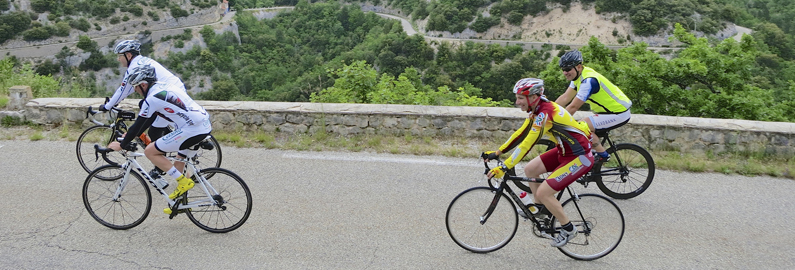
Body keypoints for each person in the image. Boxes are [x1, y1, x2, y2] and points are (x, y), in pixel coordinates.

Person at [484, 78, 594, 247]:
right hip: (564, 152)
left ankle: (569, 228)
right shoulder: (537, 109)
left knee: (544, 192)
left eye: (521, 98)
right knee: (530, 169)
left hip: (579, 158)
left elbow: (528, 143)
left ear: (534, 97)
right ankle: (541, 210)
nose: (517, 101)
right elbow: (521, 133)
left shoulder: (545, 113)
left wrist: (505, 166)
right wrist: (498, 152)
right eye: (517, 97)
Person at [107, 65, 212, 213]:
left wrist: (122, 145)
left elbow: (137, 124)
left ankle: (183, 182)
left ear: (143, 84)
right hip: (204, 124)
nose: (135, 91)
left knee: (151, 151)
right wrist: (130, 136)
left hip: (191, 130)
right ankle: (180, 202)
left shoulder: (152, 99)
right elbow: (147, 121)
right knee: (180, 159)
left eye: (136, 87)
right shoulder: (162, 87)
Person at [102, 39, 188, 144]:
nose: (118, 59)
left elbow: (123, 90)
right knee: (143, 105)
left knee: (153, 131)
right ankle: (167, 143)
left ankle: (161, 155)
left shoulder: (134, 68)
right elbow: (129, 89)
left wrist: (108, 106)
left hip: (168, 95)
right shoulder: (143, 61)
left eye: (120, 56)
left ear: (128, 55)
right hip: (173, 91)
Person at [554, 50, 632, 163]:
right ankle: (591, 155)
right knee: (580, 130)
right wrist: (548, 110)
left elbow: (573, 107)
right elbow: (565, 98)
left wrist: (556, 121)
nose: (565, 73)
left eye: (568, 69)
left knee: (580, 127)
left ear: (578, 67)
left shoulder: (588, 81)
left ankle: (604, 156)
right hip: (606, 112)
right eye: (563, 70)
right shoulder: (577, 77)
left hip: (618, 113)